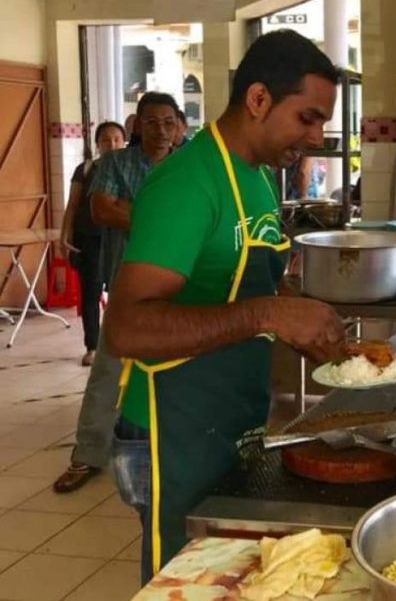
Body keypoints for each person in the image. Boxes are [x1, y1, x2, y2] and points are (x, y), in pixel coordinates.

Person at [102, 30, 348, 582]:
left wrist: (302, 321)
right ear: (258, 99)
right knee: (185, 586)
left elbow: (241, 286)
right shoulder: (188, 183)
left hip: (227, 421)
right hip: (169, 433)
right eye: (307, 117)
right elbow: (125, 326)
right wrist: (268, 314)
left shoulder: (258, 178)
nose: (316, 135)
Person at [51, 93, 180, 495]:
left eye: (168, 122)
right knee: (108, 369)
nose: (161, 130)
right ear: (138, 125)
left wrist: (135, 211)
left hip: (181, 285)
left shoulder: (187, 168)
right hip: (128, 286)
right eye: (152, 122)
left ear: (178, 127)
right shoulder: (115, 163)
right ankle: (87, 453)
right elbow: (103, 210)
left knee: (179, 369)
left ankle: (174, 450)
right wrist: (164, 219)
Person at [57, 121, 126, 367]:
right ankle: (92, 346)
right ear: (97, 144)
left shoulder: (128, 169)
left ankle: (121, 342)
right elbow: (73, 205)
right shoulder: (85, 170)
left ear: (124, 141)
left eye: (117, 139)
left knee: (121, 290)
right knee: (91, 292)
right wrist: (64, 235)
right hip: (90, 239)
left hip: (120, 237)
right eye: (106, 140)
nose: (112, 144)